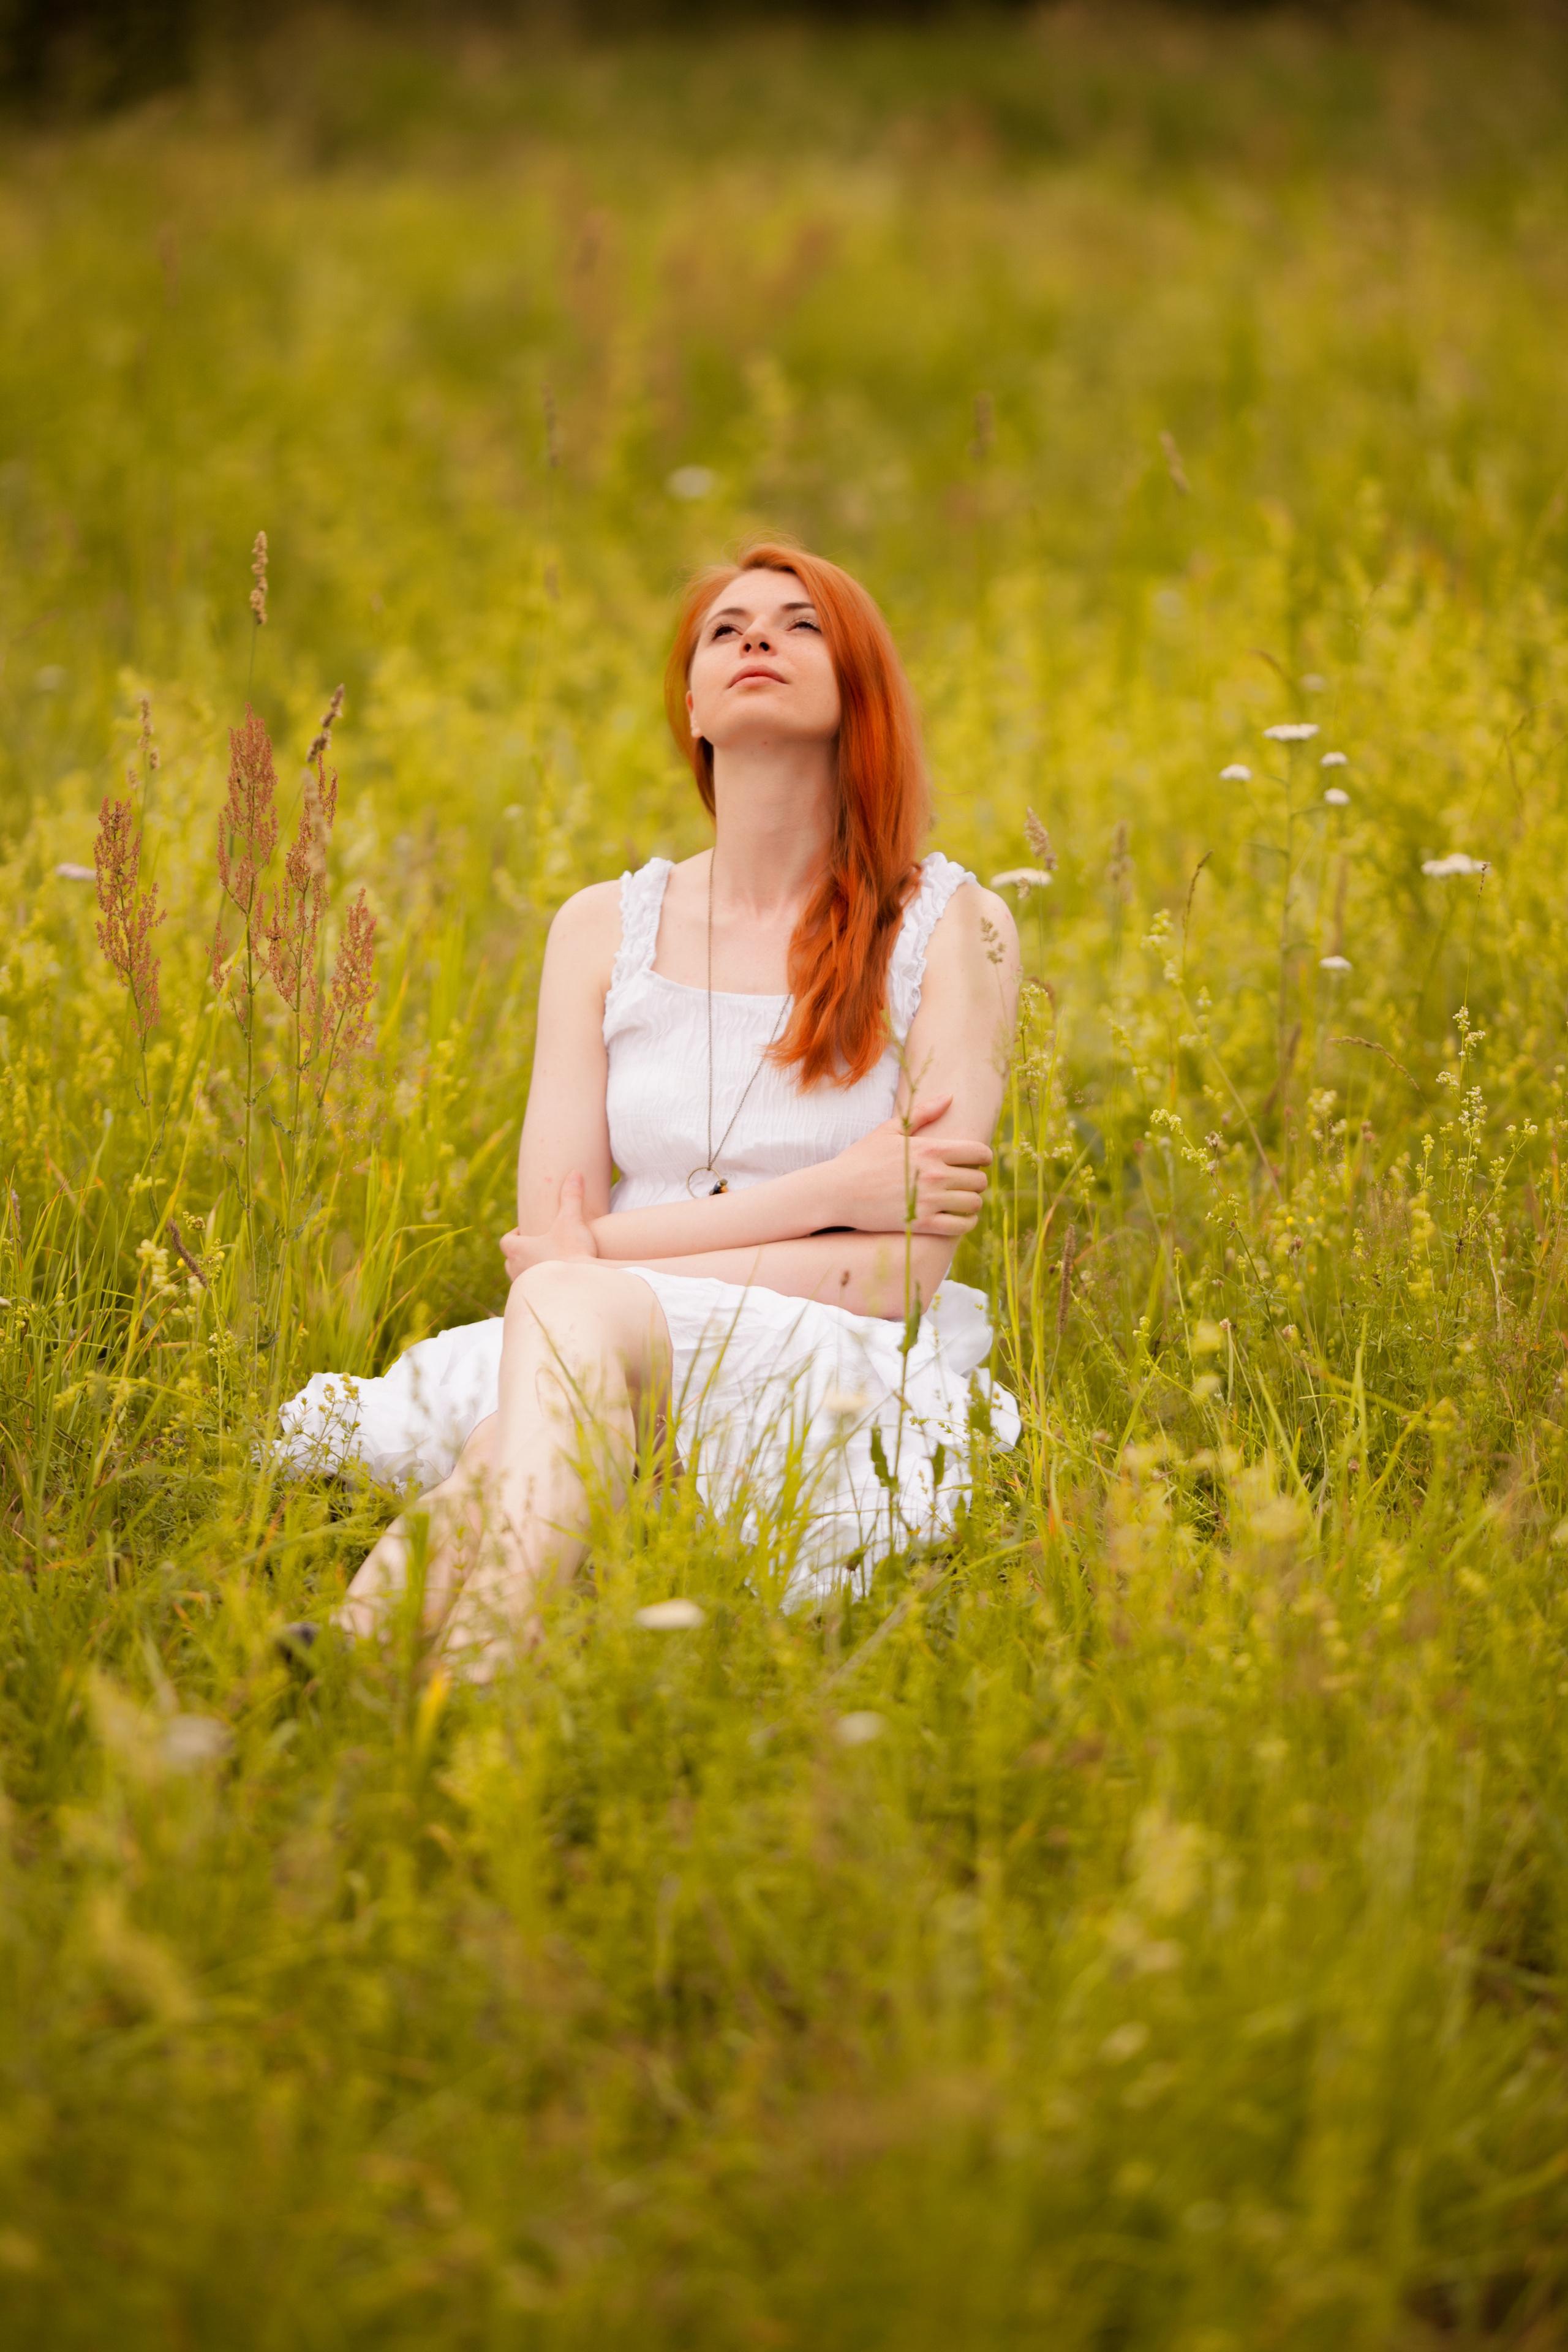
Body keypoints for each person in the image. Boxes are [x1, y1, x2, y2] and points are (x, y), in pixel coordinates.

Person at [277, 538, 1020, 1667]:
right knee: (564, 1338)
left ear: (858, 687)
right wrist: (835, 1189)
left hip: (826, 1362)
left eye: (801, 623)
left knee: (560, 1344)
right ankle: (390, 1679)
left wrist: (610, 1258)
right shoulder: (599, 929)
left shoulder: (950, 924)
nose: (756, 638)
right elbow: (546, 1246)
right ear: (694, 704)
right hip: (600, 1332)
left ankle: (418, 1677)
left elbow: (897, 1275)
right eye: (726, 629)